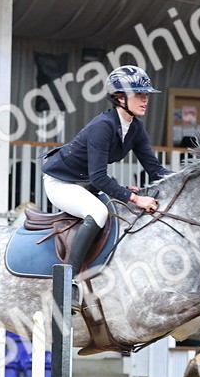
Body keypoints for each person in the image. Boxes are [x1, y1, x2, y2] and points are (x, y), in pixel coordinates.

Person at [42, 65, 172, 304]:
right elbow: (100, 177)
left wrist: (185, 181)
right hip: (62, 183)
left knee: (123, 212)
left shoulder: (135, 127)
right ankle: (67, 283)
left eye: (146, 95)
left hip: (88, 183)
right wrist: (135, 197)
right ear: (119, 98)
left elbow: (155, 170)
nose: (145, 100)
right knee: (98, 212)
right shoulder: (102, 126)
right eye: (139, 94)